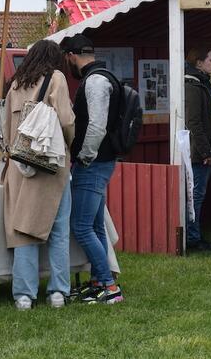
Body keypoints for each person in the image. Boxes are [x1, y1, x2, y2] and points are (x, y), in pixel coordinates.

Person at [2, 40, 75, 310]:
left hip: (20, 166)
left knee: (23, 230)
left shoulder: (15, 84)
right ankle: (58, 293)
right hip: (51, 165)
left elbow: (6, 128)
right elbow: (66, 120)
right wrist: (69, 146)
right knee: (59, 230)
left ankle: (24, 296)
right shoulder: (56, 78)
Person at [61, 34, 123, 304]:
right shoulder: (102, 76)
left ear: (71, 56)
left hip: (94, 163)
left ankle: (109, 287)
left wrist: (85, 157)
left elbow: (97, 125)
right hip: (101, 161)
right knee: (96, 225)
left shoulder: (95, 81)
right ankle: (99, 281)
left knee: (81, 226)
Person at [184, 46, 211, 251]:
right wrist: (206, 151)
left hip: (203, 149)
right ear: (199, 63)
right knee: (195, 195)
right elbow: (194, 123)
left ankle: (194, 235)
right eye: (210, 59)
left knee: (197, 194)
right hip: (198, 152)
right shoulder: (193, 86)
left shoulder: (202, 83)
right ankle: (192, 237)